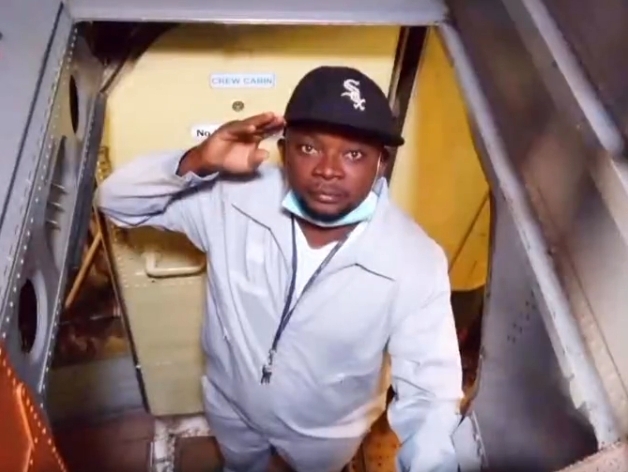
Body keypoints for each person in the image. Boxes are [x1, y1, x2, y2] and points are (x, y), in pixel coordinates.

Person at [97, 65, 463, 472]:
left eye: (354, 154)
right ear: (284, 151)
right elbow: (117, 202)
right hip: (232, 407)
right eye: (309, 148)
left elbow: (430, 396)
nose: (328, 169)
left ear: (381, 162)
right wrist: (197, 160)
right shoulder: (232, 199)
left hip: (324, 435)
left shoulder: (414, 261)